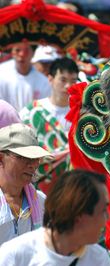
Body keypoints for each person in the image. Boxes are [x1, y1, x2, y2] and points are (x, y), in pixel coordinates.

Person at [0, 169, 110, 265]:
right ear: (79, 216)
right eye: (103, 211)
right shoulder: (16, 255)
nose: (108, 218)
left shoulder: (99, 258)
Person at [19, 57, 78, 193]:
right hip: (38, 188)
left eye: (73, 81)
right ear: (50, 79)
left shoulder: (82, 113)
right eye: (63, 80)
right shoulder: (32, 112)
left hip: (74, 188)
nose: (68, 86)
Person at [0, 123, 51, 245]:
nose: (32, 164)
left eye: (36, 158)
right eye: (23, 157)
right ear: (1, 158)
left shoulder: (41, 201)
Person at [0, 42, 51, 111]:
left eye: (26, 51)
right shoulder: (2, 73)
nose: (22, 54)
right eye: (17, 50)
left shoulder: (44, 82)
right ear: (12, 52)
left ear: (33, 54)